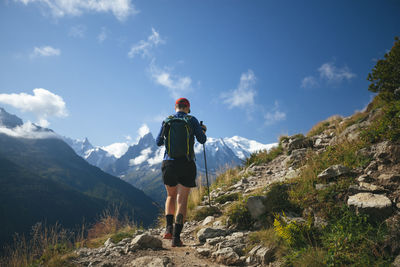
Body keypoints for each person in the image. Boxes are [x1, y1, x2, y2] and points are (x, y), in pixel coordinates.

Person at [156, 97, 207, 247]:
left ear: (175, 107)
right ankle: (176, 238)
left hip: (169, 163)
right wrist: (202, 130)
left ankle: (168, 229)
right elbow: (202, 140)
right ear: (188, 108)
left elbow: (158, 142)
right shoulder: (192, 120)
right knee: (182, 199)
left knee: (170, 195)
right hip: (187, 163)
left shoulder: (167, 120)